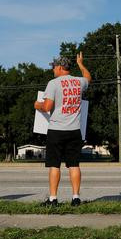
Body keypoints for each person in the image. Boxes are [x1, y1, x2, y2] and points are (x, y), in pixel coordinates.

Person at [34, 53, 91, 207]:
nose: (53, 70)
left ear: (59, 67)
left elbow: (47, 107)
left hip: (56, 130)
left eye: (54, 67)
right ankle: (76, 198)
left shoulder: (53, 83)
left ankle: (53, 199)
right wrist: (80, 64)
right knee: (74, 165)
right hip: (75, 130)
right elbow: (88, 77)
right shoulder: (79, 82)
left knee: (54, 165)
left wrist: (37, 105)